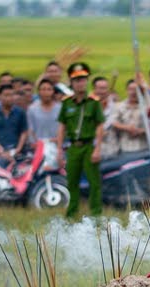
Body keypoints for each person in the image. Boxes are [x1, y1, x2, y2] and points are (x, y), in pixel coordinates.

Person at [56, 62, 105, 218]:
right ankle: (71, 214)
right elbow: (62, 127)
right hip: (73, 147)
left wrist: (97, 148)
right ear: (72, 82)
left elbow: (100, 125)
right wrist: (59, 150)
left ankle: (96, 214)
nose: (81, 83)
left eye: (83, 79)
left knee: (94, 182)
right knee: (72, 181)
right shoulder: (67, 103)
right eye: (77, 80)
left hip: (88, 146)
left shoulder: (93, 102)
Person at [26, 79, 62, 147]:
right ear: (39, 92)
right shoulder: (32, 109)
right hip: (38, 146)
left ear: (53, 91)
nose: (46, 92)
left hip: (57, 144)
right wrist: (36, 143)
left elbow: (63, 128)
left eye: (49, 89)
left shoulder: (60, 108)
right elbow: (30, 129)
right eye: (43, 89)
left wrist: (57, 140)